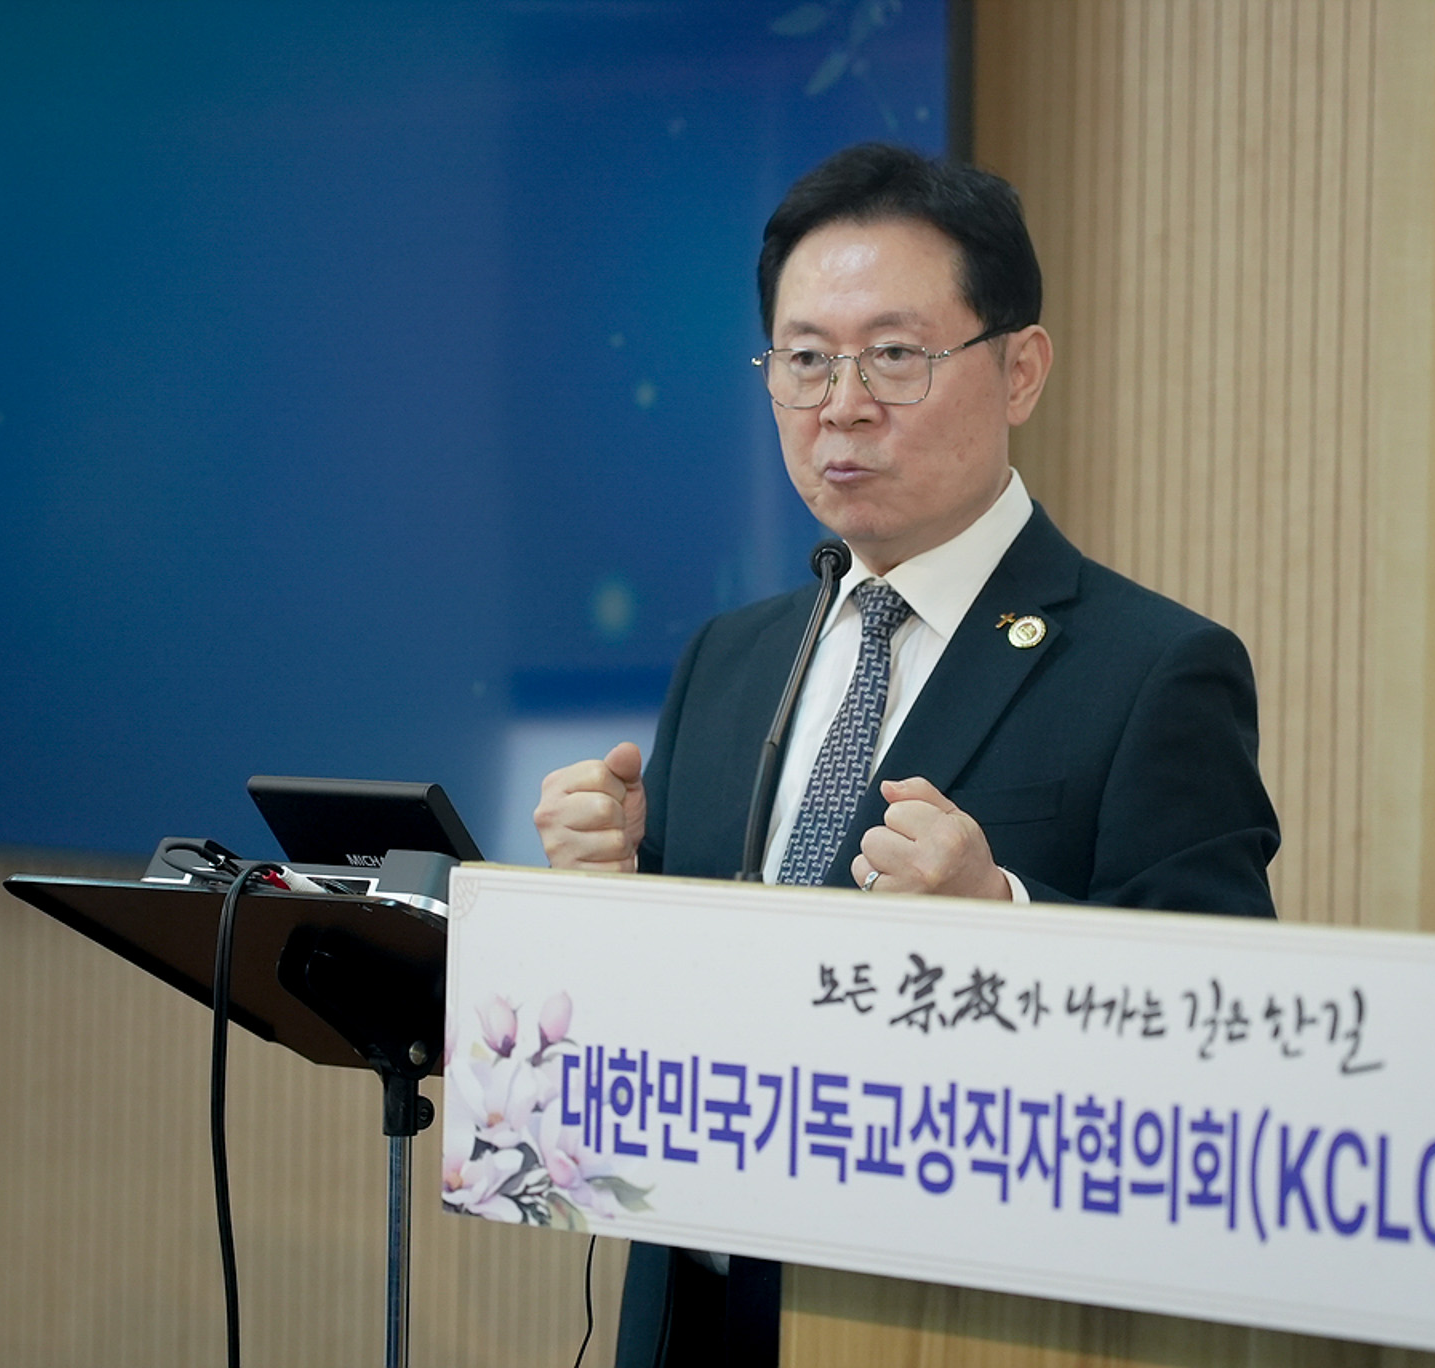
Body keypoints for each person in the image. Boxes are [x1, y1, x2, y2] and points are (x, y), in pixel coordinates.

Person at [533, 142, 1279, 1366]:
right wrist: (607, 890)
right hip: (697, 1303)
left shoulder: (1154, 668)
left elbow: (1224, 1036)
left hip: (950, 1319)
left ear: (1019, 370)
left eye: (893, 355)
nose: (841, 404)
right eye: (804, 359)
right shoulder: (730, 657)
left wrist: (1003, 916)